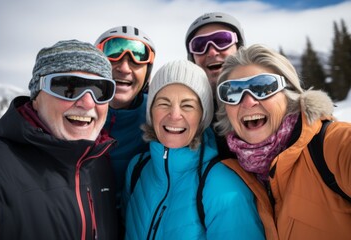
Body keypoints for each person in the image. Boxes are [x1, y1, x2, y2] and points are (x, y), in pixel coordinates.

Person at [215, 44, 351, 240]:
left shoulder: (331, 145)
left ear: (288, 95)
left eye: (262, 87)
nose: (248, 102)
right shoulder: (238, 175)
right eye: (233, 92)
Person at [122, 60, 265, 239]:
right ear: (150, 111)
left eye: (187, 106)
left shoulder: (224, 185)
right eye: (163, 103)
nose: (174, 115)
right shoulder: (137, 168)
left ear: (203, 117)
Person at [0, 39, 118, 239]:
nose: (87, 102)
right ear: (36, 97)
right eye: (68, 88)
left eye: (100, 90)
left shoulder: (100, 164)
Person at [94, 26, 156, 204]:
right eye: (114, 56)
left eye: (137, 60)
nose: (124, 68)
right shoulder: (75, 112)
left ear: (147, 74)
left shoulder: (157, 116)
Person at [185, 12, 246, 159]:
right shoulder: (186, 112)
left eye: (222, 40)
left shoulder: (266, 98)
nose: (212, 51)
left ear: (239, 48)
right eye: (199, 45)